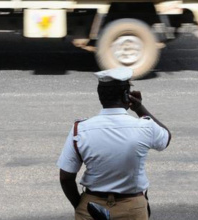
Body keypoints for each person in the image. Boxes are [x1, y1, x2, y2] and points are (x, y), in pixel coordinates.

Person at [57, 67, 172, 220]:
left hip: (91, 206)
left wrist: (80, 205)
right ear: (127, 95)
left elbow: (66, 178)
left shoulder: (81, 129)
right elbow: (165, 138)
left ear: (100, 96)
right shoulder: (145, 126)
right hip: (132, 208)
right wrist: (139, 108)